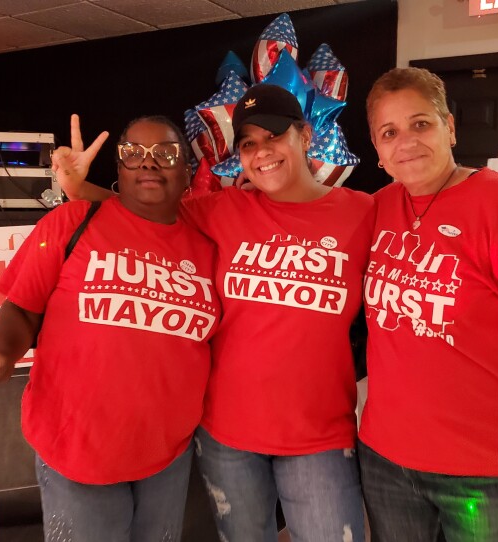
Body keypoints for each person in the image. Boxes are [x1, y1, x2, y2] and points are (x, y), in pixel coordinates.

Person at [57, 84, 375, 542]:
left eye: (274, 136)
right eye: (248, 144)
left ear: (305, 136)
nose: (261, 153)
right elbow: (137, 214)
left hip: (319, 435)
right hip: (227, 434)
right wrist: (74, 187)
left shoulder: (363, 212)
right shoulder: (222, 210)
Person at [0, 115, 220, 541]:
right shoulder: (72, 223)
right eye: (134, 154)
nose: (148, 164)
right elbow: (23, 309)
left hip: (166, 454)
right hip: (77, 447)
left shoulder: (208, 246)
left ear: (187, 171)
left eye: (165, 154)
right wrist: (1, 352)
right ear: (119, 170)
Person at [356, 67, 498, 541]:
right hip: (387, 463)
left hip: (489, 472)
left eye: (421, 123)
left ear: (451, 127)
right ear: (378, 152)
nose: (407, 141)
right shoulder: (376, 208)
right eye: (389, 132)